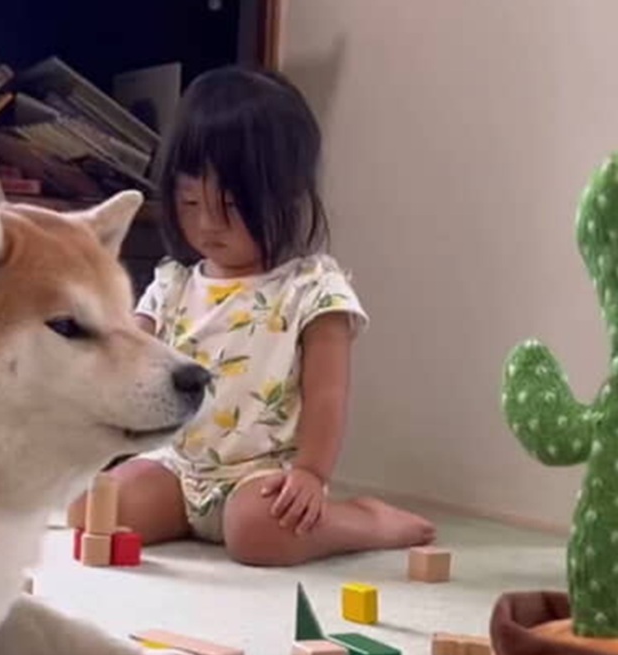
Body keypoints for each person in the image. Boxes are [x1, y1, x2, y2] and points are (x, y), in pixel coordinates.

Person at [69, 65, 435, 566]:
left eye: (230, 206)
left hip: (263, 481)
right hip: (179, 470)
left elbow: (327, 395)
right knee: (90, 506)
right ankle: (184, 517)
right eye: (190, 201)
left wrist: (311, 474)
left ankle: (363, 519)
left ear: (286, 197)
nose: (206, 224)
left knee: (258, 534)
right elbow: (126, 354)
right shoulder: (173, 282)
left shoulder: (312, 288)